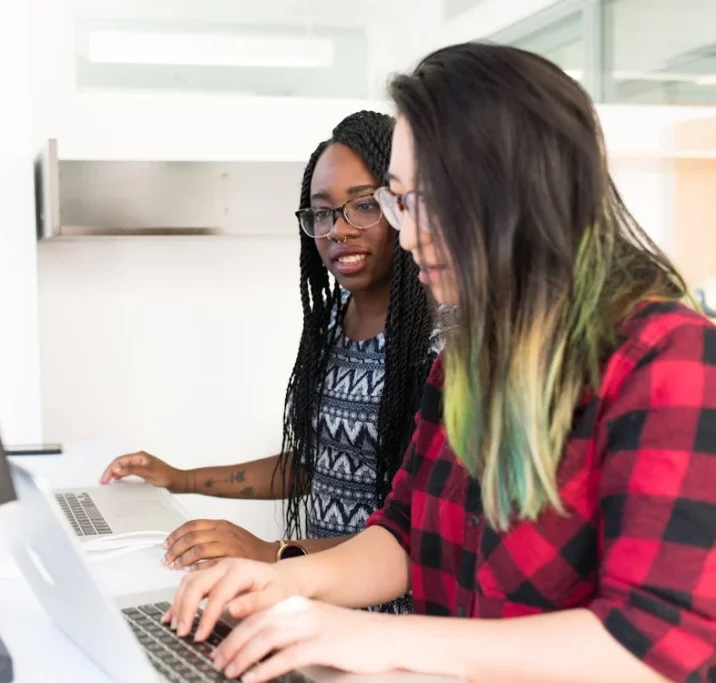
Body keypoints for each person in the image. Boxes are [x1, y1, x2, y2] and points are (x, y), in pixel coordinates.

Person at [163, 43, 716, 683]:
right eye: (399, 200)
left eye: (422, 199)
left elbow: (648, 644)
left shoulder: (671, 360)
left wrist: (373, 638)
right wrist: (282, 581)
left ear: (515, 188)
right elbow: (399, 531)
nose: (407, 230)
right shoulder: (467, 360)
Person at [100, 112, 439, 607]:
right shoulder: (329, 324)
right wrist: (182, 479)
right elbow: (312, 466)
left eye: (363, 206)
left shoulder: (436, 344)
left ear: (400, 206)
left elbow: (413, 532)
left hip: (396, 618)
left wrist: (272, 554)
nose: (338, 230)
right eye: (321, 213)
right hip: (316, 598)